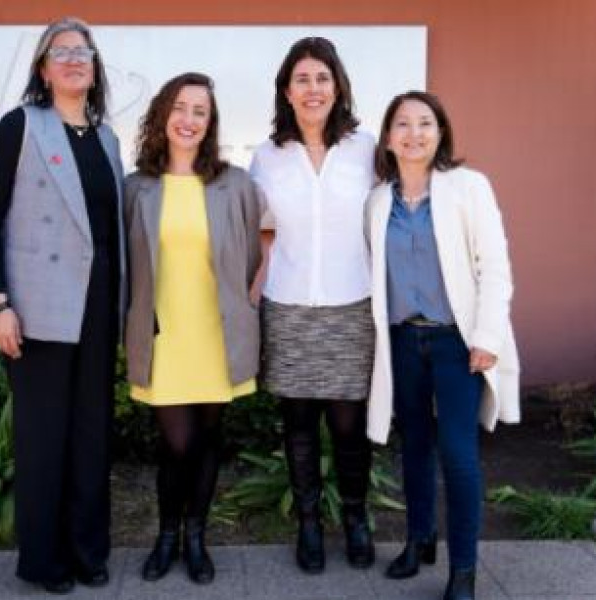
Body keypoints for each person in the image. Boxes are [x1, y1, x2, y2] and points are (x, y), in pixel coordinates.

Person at [0, 17, 125, 595]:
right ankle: (45, 561)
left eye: (82, 51)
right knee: (44, 438)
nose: (73, 59)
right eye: (60, 52)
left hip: (98, 307)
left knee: (91, 435)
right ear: (42, 68)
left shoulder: (106, 137)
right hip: (36, 311)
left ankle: (89, 552)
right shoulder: (20, 127)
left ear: (94, 66)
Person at [364, 91, 520, 600]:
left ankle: (465, 570)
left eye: (425, 123)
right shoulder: (378, 201)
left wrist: (488, 338)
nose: (414, 133)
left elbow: (494, 268)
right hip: (403, 341)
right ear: (388, 138)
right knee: (413, 450)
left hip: (459, 343)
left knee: (458, 454)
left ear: (440, 131)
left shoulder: (468, 188)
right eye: (402, 125)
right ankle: (419, 540)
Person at [124, 72, 263, 585]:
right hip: (164, 337)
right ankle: (166, 538)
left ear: (210, 122)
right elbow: (127, 269)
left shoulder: (235, 183)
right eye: (180, 108)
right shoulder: (136, 187)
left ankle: (197, 540)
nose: (188, 120)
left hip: (216, 333)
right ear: (163, 115)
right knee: (175, 444)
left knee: (207, 439)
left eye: (200, 111)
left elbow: (249, 256)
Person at [250, 37, 376, 574]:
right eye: (302, 79)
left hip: (352, 305)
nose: (313, 89)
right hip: (290, 306)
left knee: (349, 426)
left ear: (338, 86)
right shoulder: (267, 154)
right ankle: (307, 523)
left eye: (322, 78)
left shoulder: (367, 147)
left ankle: (354, 517)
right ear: (286, 90)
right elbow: (242, 220)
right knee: (298, 423)